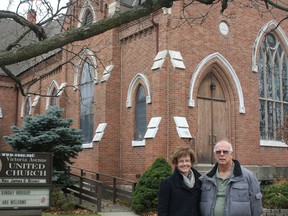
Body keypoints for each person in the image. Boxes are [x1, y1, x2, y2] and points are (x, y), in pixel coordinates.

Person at [200, 140, 263, 216]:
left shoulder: (248, 176)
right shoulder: (206, 178)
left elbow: (256, 205)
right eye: (218, 152)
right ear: (215, 155)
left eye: (225, 152)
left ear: (231, 154)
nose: (222, 154)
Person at [158, 146, 202, 216]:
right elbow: (162, 210)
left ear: (191, 162)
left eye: (187, 160)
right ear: (176, 163)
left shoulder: (200, 181)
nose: (185, 164)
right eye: (181, 161)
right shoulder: (167, 184)